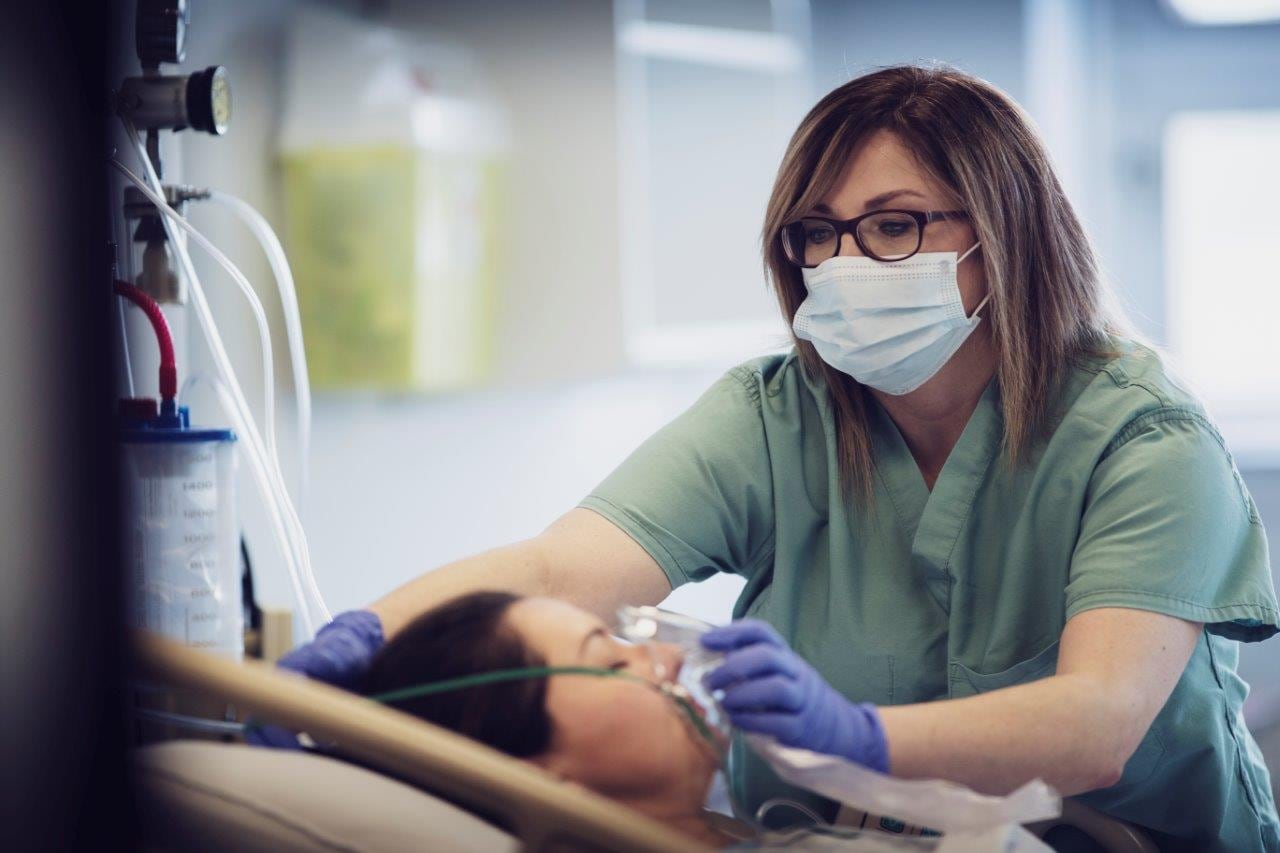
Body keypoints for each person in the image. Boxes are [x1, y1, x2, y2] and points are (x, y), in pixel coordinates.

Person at [261, 64, 1280, 851]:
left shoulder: (1139, 438)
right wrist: (355, 643)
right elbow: (558, 572)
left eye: (893, 226)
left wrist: (852, 734)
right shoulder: (775, 416)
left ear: (1003, 234)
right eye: (816, 235)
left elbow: (1094, 722)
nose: (843, 266)